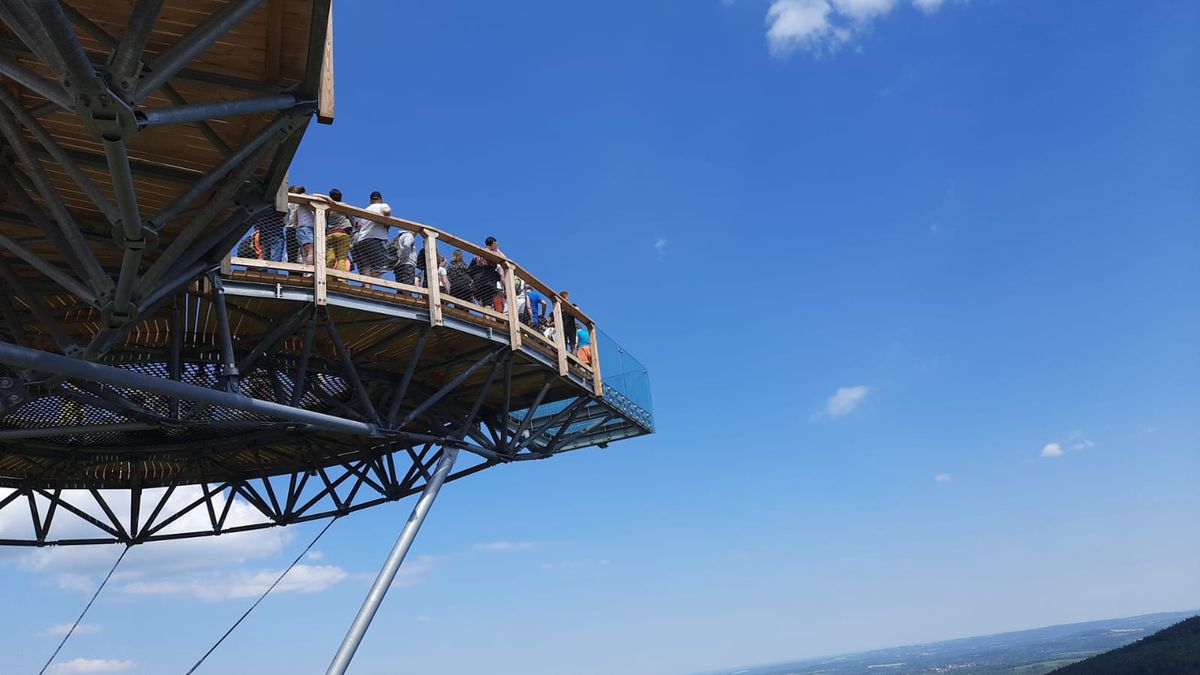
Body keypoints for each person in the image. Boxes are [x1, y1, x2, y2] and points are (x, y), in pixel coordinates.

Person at [351, 190, 392, 277]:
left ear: (370, 201)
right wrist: (387, 221)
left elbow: (358, 225)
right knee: (384, 266)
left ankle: (366, 286)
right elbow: (387, 210)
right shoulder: (383, 205)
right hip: (376, 238)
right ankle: (368, 279)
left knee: (366, 266)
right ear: (381, 199)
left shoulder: (365, 210)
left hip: (361, 240)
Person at [470, 236, 504, 311]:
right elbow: (505, 259)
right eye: (496, 244)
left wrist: (475, 277)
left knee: (482, 303)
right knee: (488, 304)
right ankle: (487, 319)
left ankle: (485, 319)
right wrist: (498, 250)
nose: (497, 246)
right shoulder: (493, 253)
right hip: (489, 282)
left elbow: (470, 268)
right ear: (493, 243)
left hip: (477, 282)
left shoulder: (478, 254)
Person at [325, 189, 353, 271]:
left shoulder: (328, 207)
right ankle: (341, 279)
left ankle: (328, 277)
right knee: (341, 258)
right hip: (343, 233)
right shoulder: (343, 205)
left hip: (330, 235)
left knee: (330, 258)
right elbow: (351, 219)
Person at [292, 186, 315, 267]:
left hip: (301, 229)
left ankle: (306, 272)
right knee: (311, 251)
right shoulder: (305, 200)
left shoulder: (298, 207)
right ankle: (309, 272)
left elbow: (294, 220)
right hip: (306, 229)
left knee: (305, 253)